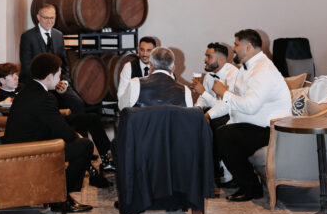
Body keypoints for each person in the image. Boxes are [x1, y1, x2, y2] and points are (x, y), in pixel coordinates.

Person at [4, 53, 94, 214]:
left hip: (18, 145)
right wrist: (76, 136)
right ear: (50, 76)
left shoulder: (27, 89)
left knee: (76, 140)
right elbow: (65, 132)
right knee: (85, 146)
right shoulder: (44, 97)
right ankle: (60, 197)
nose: (60, 78)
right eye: (58, 74)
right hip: (29, 151)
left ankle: (58, 194)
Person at [208, 29, 291, 202]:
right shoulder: (247, 68)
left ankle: (251, 188)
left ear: (248, 47)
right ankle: (222, 178)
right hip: (253, 125)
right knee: (213, 125)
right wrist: (208, 115)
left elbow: (250, 106)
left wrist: (224, 93)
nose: (233, 48)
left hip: (272, 129)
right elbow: (232, 101)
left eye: (236, 44)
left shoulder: (263, 69)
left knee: (225, 135)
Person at [19, 2, 85, 114]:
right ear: (38, 17)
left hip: (57, 82)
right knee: (49, 104)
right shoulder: (27, 36)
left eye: (52, 18)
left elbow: (64, 64)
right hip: (36, 84)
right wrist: (47, 83)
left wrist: (64, 82)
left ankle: (74, 126)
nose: (49, 21)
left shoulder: (58, 35)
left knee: (78, 103)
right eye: (46, 18)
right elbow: (26, 67)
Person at [119, 46, 194, 109]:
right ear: (173, 68)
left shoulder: (135, 84)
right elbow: (188, 117)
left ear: (150, 65)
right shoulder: (185, 91)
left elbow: (122, 107)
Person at [116, 35, 156, 104]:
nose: (145, 54)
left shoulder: (159, 67)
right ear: (138, 50)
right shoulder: (129, 67)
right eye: (142, 50)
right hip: (134, 107)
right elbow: (121, 94)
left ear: (155, 51)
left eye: (149, 50)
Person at [192, 42, 231, 110]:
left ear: (221, 59)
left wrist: (203, 92)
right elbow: (202, 99)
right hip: (212, 112)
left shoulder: (232, 75)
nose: (205, 60)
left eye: (209, 57)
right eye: (206, 56)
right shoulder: (209, 75)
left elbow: (225, 107)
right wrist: (195, 110)